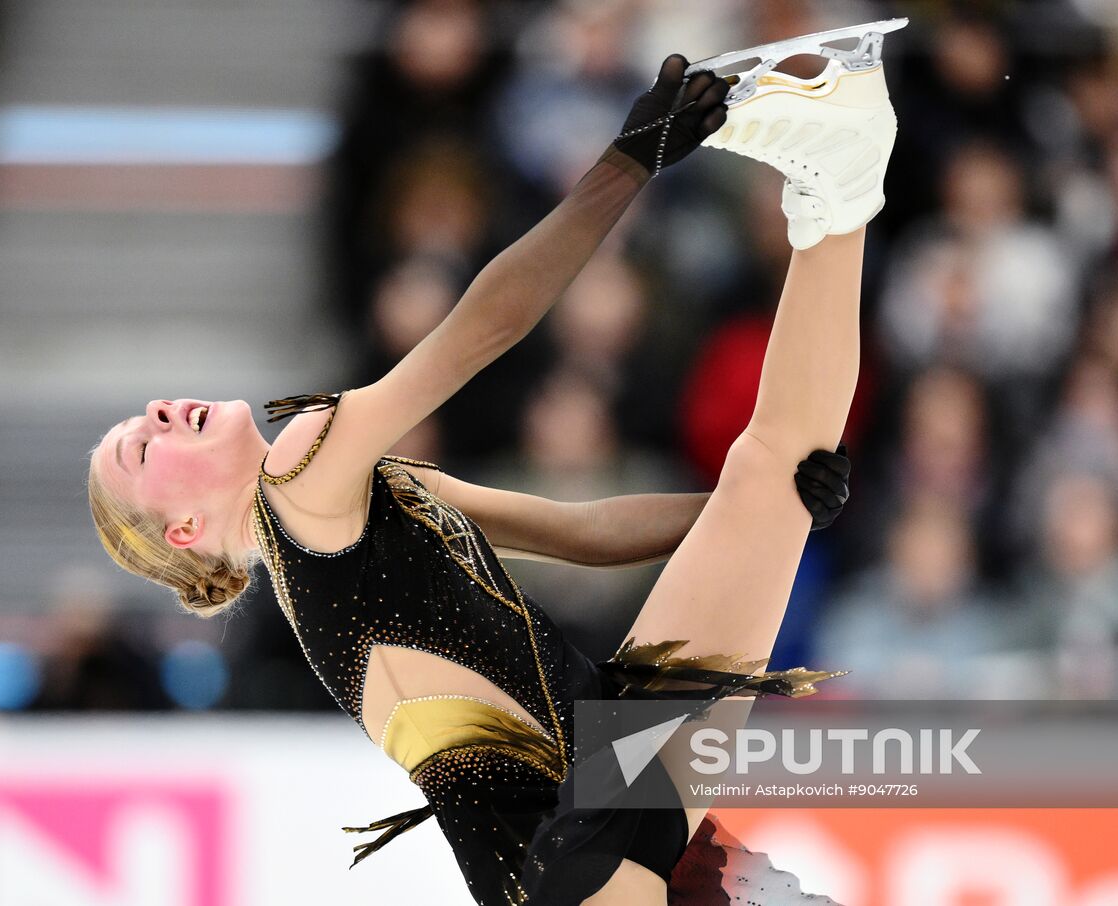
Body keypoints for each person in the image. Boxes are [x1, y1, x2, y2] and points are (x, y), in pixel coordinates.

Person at [89, 29, 897, 904]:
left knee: (769, 467)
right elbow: (480, 331)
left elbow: (580, 532)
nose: (159, 413)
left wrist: (765, 517)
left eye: (143, 417)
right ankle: (839, 187)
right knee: (769, 462)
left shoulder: (353, 503)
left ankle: (839, 174)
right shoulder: (299, 482)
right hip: (567, 847)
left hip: (603, 757)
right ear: (185, 531)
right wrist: (626, 166)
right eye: (142, 445)